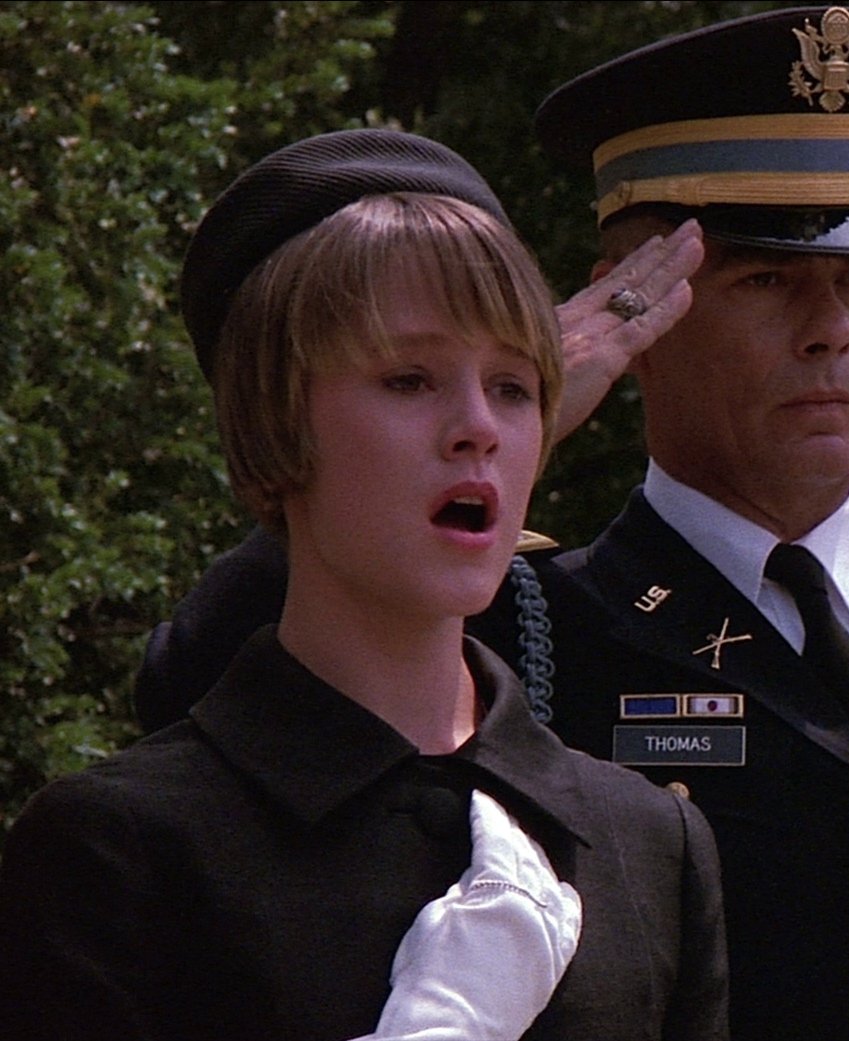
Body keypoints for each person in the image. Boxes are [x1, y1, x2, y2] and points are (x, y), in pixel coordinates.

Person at [130, 9, 849, 1041]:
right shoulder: (518, 628)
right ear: (634, 309)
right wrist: (522, 408)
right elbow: (203, 706)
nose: (829, 330)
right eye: (766, 279)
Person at [0, 129, 728, 1041]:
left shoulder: (646, 844)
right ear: (276, 419)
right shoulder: (118, 852)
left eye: (513, 386)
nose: (478, 426)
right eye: (409, 379)